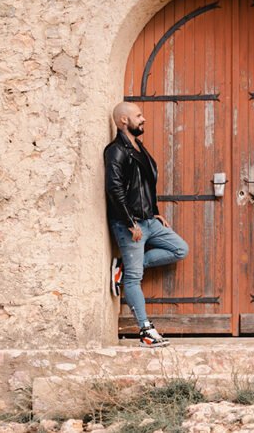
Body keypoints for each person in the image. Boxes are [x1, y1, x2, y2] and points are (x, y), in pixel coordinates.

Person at [105, 101, 189, 348]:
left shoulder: (137, 146)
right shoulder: (116, 151)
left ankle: (122, 266)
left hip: (149, 220)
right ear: (123, 121)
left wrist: (155, 211)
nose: (144, 119)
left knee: (179, 249)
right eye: (138, 115)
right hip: (130, 225)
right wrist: (131, 223)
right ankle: (145, 331)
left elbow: (144, 184)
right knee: (133, 279)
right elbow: (114, 189)